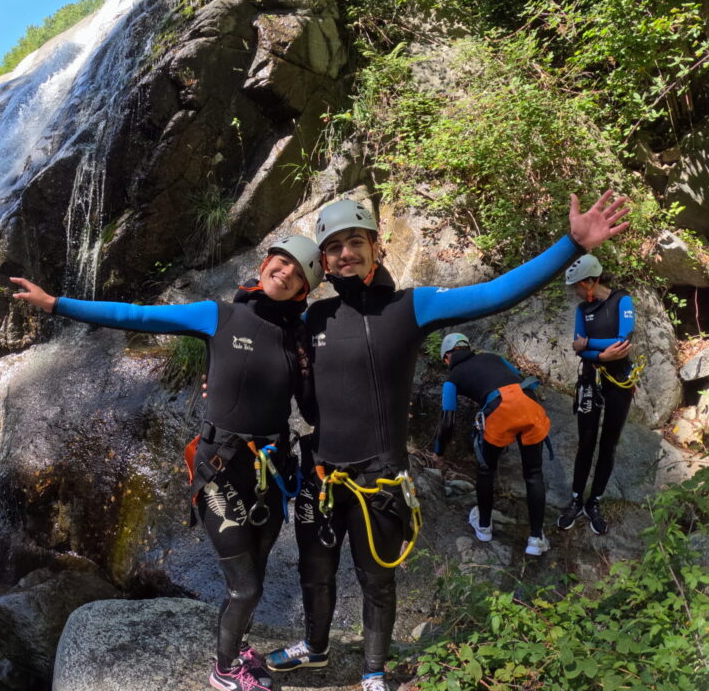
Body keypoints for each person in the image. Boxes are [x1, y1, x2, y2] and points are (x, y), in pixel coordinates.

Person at [266, 192, 630, 691]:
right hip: (324, 473)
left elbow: (495, 293)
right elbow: (261, 348)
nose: (345, 253)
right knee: (315, 568)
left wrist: (570, 244)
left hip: (380, 479)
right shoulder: (315, 319)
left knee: (377, 580)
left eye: (355, 241)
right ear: (323, 262)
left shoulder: (411, 307)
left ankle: (373, 671)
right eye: (333, 247)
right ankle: (315, 645)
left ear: (376, 247)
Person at [11, 235, 323, 691]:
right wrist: (56, 303)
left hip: (272, 476)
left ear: (303, 290)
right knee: (246, 586)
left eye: (298, 273)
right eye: (281, 262)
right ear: (265, 265)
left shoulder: (297, 342)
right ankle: (224, 671)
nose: (286, 272)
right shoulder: (218, 315)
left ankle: (236, 649)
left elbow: (314, 410)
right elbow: (136, 316)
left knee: (253, 573)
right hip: (221, 470)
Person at [433, 333, 551, 556]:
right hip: (528, 403)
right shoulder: (493, 357)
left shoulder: (452, 378)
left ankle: (484, 526)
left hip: (499, 410)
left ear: (447, 356)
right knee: (534, 473)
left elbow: (447, 419)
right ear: (467, 347)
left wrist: (438, 452)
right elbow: (518, 376)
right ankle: (536, 539)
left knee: (486, 471)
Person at [556, 254, 635, 535]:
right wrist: (600, 353)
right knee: (586, 441)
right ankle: (576, 499)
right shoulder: (582, 309)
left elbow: (624, 340)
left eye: (577, 286)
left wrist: (589, 343)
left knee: (608, 443)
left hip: (620, 381)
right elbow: (577, 348)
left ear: (590, 281)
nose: (576, 292)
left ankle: (595, 501)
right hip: (591, 378)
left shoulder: (622, 300)